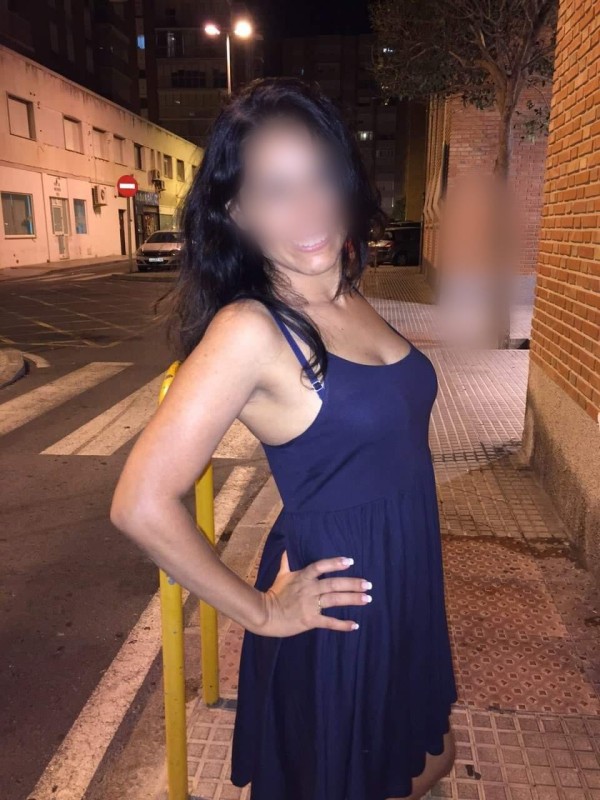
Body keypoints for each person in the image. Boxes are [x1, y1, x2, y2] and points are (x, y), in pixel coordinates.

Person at [110, 77, 458, 800]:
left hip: (405, 579)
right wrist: (262, 611)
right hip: (341, 603)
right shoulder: (251, 329)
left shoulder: (345, 290)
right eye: (276, 190)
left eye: (319, 176)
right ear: (237, 212)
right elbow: (140, 503)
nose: (309, 208)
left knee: (429, 758)